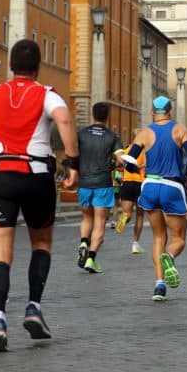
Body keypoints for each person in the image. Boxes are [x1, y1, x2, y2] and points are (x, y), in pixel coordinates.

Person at [0, 39, 79, 351]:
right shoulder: (47, 94)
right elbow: (64, 119)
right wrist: (72, 163)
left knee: (1, 251)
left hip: (0, 179)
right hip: (36, 177)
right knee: (41, 244)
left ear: (10, 66)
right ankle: (33, 306)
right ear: (38, 66)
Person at [123, 96, 187, 302]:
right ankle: (169, 257)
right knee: (178, 239)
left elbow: (128, 160)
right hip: (172, 186)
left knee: (158, 238)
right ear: (170, 111)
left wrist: (133, 169)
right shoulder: (180, 130)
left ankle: (159, 286)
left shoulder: (144, 133)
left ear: (152, 112)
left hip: (150, 186)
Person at [76, 102, 123, 275]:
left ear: (92, 114)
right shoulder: (113, 136)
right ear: (107, 116)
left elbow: (72, 154)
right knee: (100, 222)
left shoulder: (81, 133)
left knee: (86, 218)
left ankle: (83, 242)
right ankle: (91, 258)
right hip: (103, 183)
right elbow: (120, 160)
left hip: (84, 182)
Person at [115, 140, 146, 254]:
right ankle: (135, 244)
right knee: (140, 215)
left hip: (127, 183)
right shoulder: (145, 152)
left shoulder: (126, 151)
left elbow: (118, 165)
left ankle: (123, 220)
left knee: (127, 212)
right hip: (141, 184)